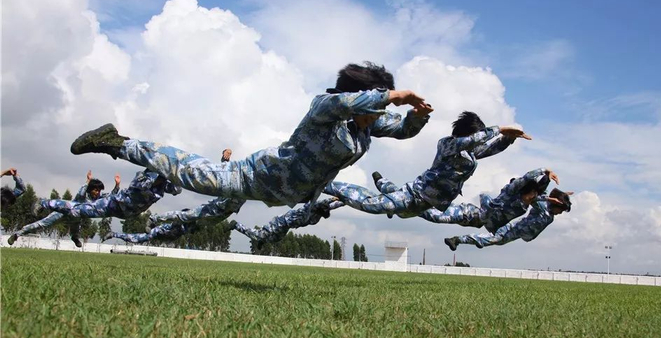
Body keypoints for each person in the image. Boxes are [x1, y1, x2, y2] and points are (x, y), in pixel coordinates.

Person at [69, 62, 433, 212]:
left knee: (207, 205)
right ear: (360, 99)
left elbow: (402, 130)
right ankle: (116, 142)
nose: (378, 117)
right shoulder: (326, 109)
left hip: (283, 193)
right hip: (254, 176)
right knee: (186, 171)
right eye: (376, 106)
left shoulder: (366, 125)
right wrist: (392, 95)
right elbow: (345, 103)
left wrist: (417, 118)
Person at [324, 111, 531, 218]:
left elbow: (491, 148)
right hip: (414, 195)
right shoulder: (448, 144)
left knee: (399, 212)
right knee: (372, 206)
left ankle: (383, 183)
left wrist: (509, 138)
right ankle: (325, 184)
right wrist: (500, 129)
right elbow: (473, 140)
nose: (477, 142)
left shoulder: (469, 154)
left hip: (425, 206)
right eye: (475, 137)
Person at [372, 168, 557, 233]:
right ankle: (384, 185)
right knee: (426, 212)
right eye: (531, 195)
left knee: (416, 209)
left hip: (474, 221)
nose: (533, 198)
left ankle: (393, 204)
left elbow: (541, 194)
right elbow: (525, 179)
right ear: (523, 191)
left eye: (534, 196)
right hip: (469, 214)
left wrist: (548, 181)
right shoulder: (511, 193)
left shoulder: (529, 202)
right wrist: (543, 170)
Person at [7, 170, 120, 247]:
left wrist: (117, 185)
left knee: (75, 229)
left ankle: (74, 238)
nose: (97, 192)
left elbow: (110, 197)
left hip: (76, 217)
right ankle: (17, 234)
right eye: (95, 190)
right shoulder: (83, 195)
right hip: (64, 213)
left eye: (99, 190)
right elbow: (81, 192)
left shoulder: (98, 198)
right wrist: (87, 181)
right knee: (42, 224)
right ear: (90, 190)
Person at [444, 188, 573, 250]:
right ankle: (458, 240)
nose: (560, 213)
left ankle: (480, 240)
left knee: (496, 241)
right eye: (560, 210)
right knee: (495, 239)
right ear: (555, 205)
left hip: (517, 235)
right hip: (511, 229)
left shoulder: (550, 217)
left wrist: (562, 195)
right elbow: (534, 197)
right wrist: (550, 199)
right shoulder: (542, 208)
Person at [39, 169, 181, 219]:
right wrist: (163, 176)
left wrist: (176, 177)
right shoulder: (142, 177)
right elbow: (144, 186)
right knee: (77, 210)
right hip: (113, 204)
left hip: (128, 213)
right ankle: (44, 203)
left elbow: (177, 190)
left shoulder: (163, 185)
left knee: (76, 214)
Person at [230, 198, 344, 250]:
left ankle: (262, 240)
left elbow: (333, 206)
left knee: (275, 239)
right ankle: (236, 225)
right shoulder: (310, 207)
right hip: (281, 221)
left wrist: (344, 202)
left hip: (287, 226)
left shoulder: (318, 214)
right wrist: (332, 198)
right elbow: (323, 202)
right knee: (259, 235)